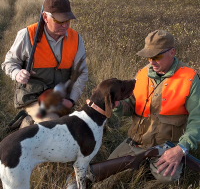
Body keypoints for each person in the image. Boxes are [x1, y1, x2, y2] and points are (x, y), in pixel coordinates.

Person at [65, 30, 200, 188]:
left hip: (166, 147)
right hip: (135, 143)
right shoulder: (142, 74)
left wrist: (181, 149)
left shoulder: (189, 78)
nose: (151, 61)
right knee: (105, 173)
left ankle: (151, 167)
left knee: (168, 178)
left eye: (156, 56)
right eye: (148, 57)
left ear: (172, 52)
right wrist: (117, 106)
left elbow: (197, 120)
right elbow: (131, 105)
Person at [1, 0, 88, 125]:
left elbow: (81, 73)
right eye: (59, 21)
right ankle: (27, 124)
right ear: (45, 17)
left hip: (59, 98)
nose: (65, 25)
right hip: (32, 97)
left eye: (68, 20)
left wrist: (71, 100)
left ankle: (29, 122)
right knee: (51, 126)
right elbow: (9, 62)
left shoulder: (76, 39)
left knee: (77, 128)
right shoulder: (27, 35)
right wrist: (17, 73)